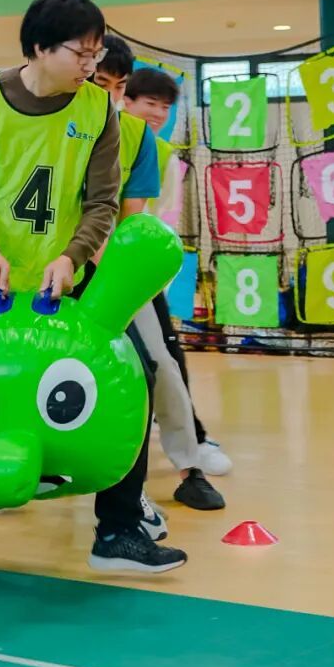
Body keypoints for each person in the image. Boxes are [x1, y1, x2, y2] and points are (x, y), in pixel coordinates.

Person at [0, 0, 187, 579]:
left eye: (96, 54)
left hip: (69, 279)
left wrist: (74, 256)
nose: (91, 66)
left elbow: (102, 201)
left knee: (133, 378)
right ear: (39, 48)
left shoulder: (98, 111)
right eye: (81, 53)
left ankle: (119, 530)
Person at [97, 44, 228, 510]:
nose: (110, 95)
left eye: (117, 86)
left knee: (161, 362)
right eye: (101, 83)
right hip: (46, 272)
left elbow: (139, 219)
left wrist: (130, 268)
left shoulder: (143, 145)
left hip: (118, 273)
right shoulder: (50, 130)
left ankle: (190, 464)